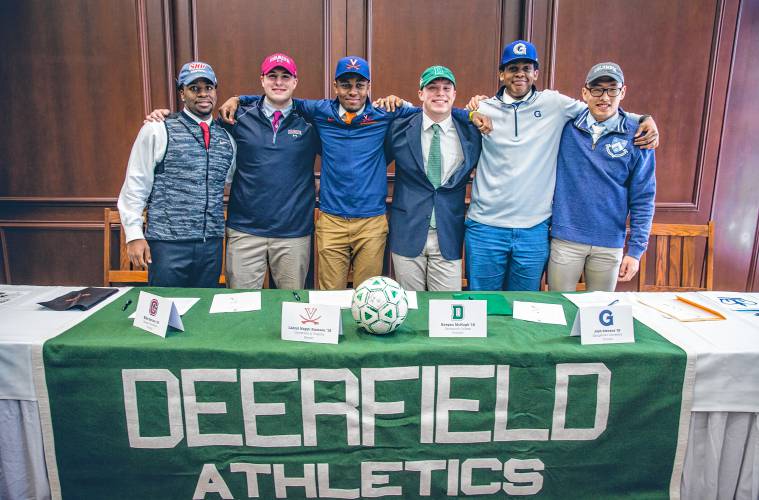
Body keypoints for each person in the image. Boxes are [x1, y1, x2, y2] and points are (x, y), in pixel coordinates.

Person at [466, 40, 659, 291]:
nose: (520, 74)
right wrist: (472, 110)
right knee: (483, 303)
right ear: (502, 74)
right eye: (513, 68)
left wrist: (643, 119)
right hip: (485, 227)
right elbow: (452, 117)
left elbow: (602, 110)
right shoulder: (483, 109)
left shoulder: (554, 104)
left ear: (536, 74)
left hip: (534, 229)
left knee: (525, 305)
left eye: (526, 68)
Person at [219, 57, 421, 290]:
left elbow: (429, 112)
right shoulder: (320, 111)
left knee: (367, 296)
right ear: (335, 86)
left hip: (371, 221)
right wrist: (239, 99)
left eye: (359, 85)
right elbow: (279, 99)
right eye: (345, 85)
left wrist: (403, 102)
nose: (353, 91)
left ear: (369, 87)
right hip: (331, 220)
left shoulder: (383, 113)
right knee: (328, 298)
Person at [118, 61, 236, 287]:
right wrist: (133, 234)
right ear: (182, 93)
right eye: (194, 88)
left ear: (215, 91)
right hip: (167, 245)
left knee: (204, 307)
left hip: (210, 245)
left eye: (208, 88)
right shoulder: (158, 128)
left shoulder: (227, 138)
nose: (203, 94)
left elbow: (233, 179)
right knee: (164, 306)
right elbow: (136, 183)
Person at [548, 62, 655, 291]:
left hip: (609, 244)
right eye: (597, 89)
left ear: (623, 92)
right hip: (566, 239)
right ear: (585, 92)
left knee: (600, 310)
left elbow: (644, 198)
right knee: (559, 306)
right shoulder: (565, 125)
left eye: (612, 89)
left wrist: (636, 251)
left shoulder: (639, 135)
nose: (604, 97)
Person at [385, 66, 481, 291]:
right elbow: (375, 163)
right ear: (421, 94)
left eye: (446, 88)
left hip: (448, 233)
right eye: (432, 88)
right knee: (411, 306)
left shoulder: (471, 131)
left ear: (454, 94)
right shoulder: (399, 128)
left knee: (446, 307)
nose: (440, 93)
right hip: (407, 231)